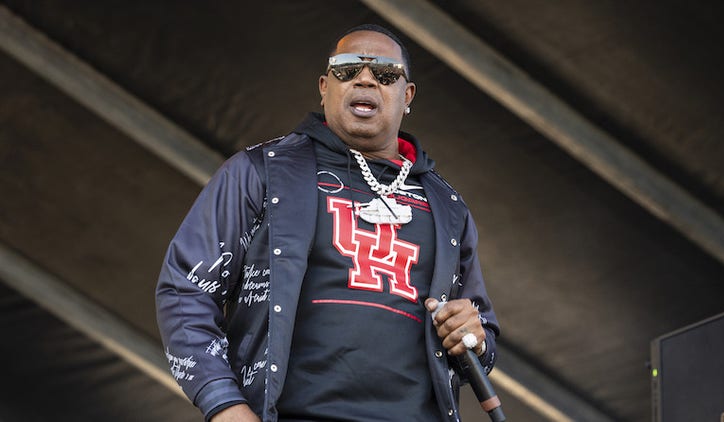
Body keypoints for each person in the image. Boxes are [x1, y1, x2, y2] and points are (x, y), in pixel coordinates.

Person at [156, 24, 499, 422]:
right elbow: (185, 290)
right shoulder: (261, 173)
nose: (365, 79)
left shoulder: (447, 207)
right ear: (324, 87)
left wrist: (473, 336)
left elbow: (482, 341)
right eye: (347, 69)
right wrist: (224, 405)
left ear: (407, 96)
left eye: (385, 73)